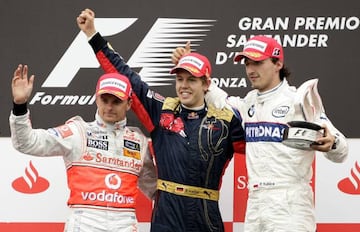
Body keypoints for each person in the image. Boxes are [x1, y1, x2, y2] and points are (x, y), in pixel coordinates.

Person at [77, 8, 245, 232]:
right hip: (167, 214)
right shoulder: (162, 111)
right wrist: (93, 36)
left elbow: (259, 147)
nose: (183, 85)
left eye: (191, 80)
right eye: (179, 78)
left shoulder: (226, 119)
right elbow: (127, 76)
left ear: (206, 84)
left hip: (205, 214)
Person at [173, 36, 349, 231]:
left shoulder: (297, 100)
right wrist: (191, 66)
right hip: (255, 202)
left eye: (257, 63)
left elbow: (341, 151)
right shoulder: (249, 103)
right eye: (247, 64)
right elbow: (221, 101)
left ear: (278, 63)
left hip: (290, 202)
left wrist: (333, 143)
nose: (250, 70)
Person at [9, 64, 157, 232]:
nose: (109, 107)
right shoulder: (77, 132)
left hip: (124, 224)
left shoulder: (139, 142)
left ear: (129, 104)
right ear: (96, 98)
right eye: (105, 100)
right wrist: (20, 106)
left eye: (116, 101)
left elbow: (155, 190)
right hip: (84, 224)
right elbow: (26, 142)